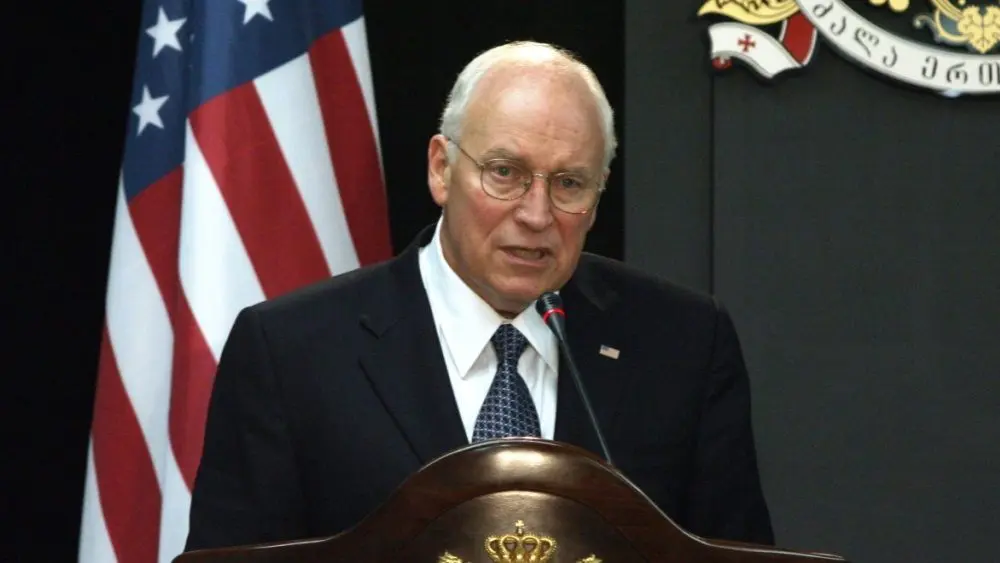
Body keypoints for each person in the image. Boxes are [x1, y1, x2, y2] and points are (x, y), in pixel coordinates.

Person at [185, 40, 774, 551]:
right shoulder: (291, 353)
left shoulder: (683, 344)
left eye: (569, 183)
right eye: (505, 172)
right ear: (442, 169)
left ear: (599, 194)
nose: (537, 214)